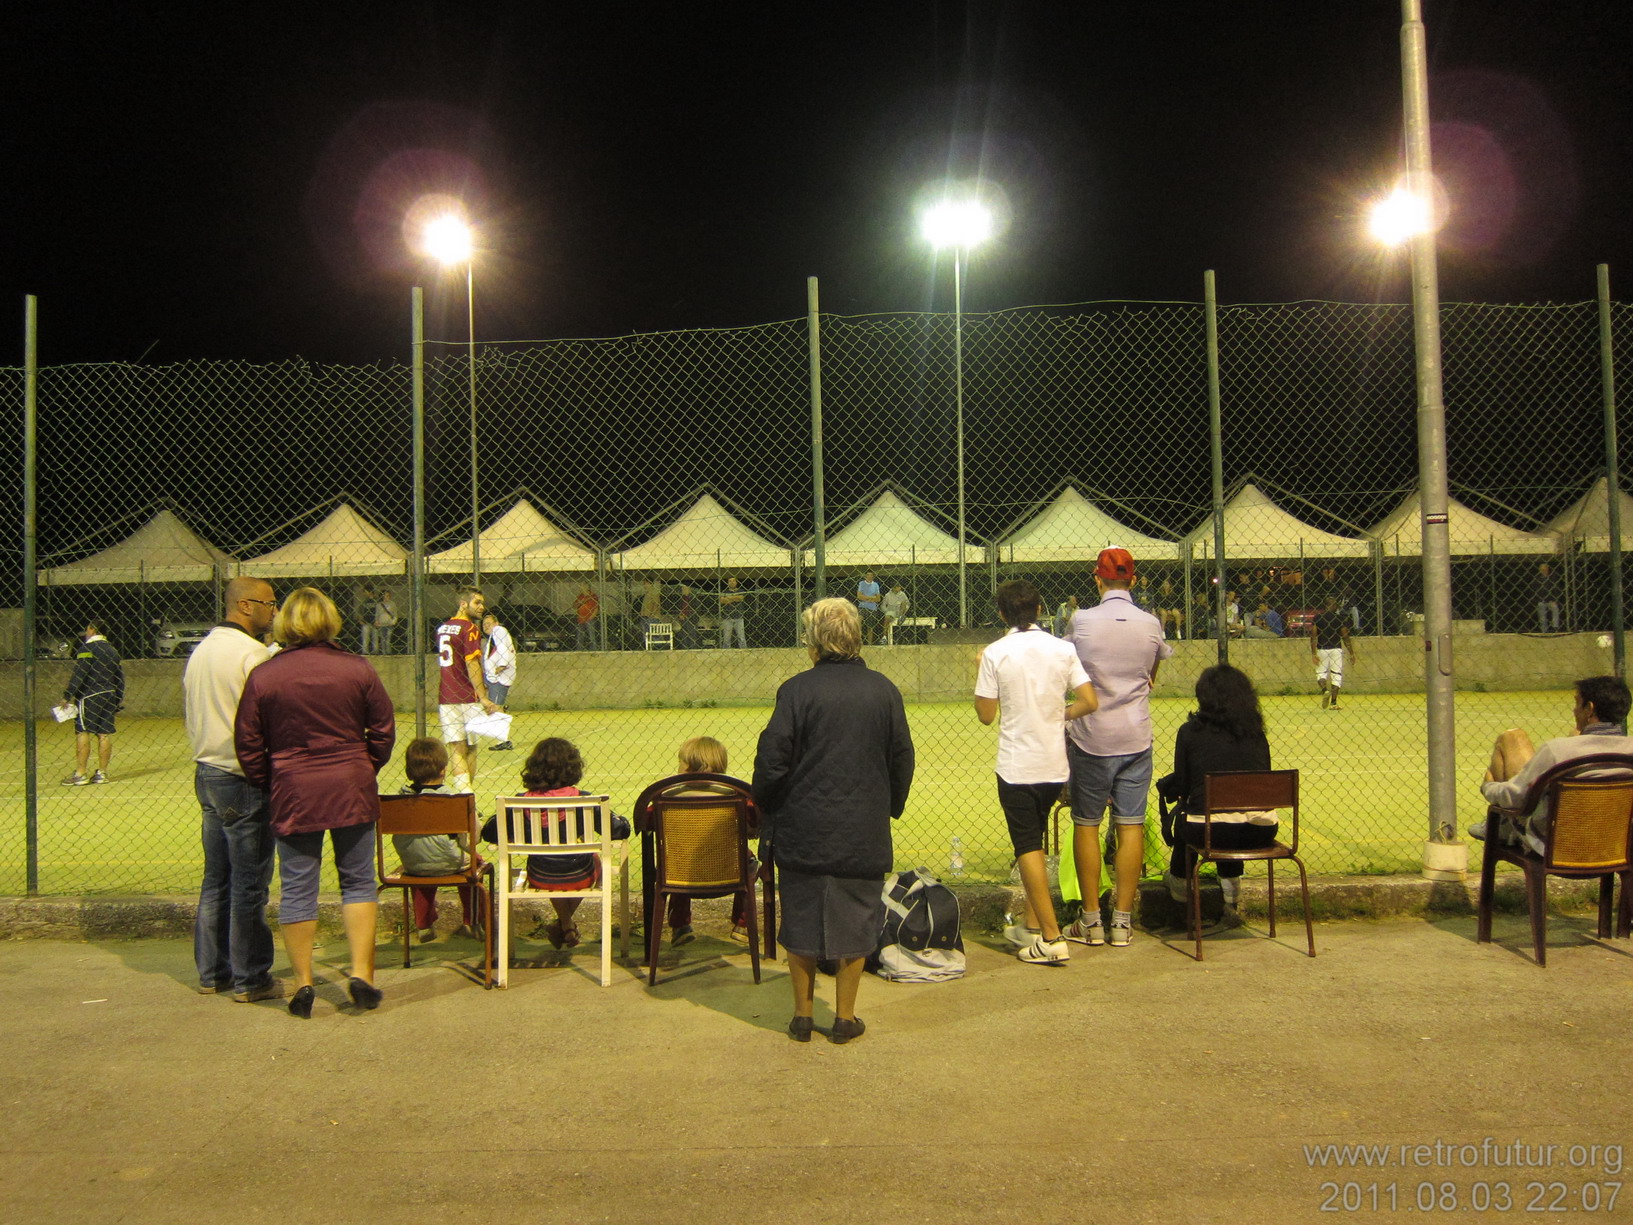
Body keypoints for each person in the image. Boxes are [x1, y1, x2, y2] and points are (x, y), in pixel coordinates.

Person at [753, 598, 914, 1044]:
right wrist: (887, 805)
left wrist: (763, 803)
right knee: (858, 918)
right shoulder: (883, 689)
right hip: (862, 826)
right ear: (856, 636)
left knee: (801, 915)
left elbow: (772, 760)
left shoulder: (796, 691)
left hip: (802, 824)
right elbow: (902, 757)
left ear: (813, 643)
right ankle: (845, 1018)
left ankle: (802, 1016)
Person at [235, 587, 395, 1019]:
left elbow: (248, 744)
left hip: (294, 789)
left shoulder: (265, 676)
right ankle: (361, 974)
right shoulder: (357, 669)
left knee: (298, 886)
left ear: (286, 622)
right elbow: (382, 730)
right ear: (330, 620)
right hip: (350, 784)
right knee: (358, 881)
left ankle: (304, 982)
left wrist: (275, 780)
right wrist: (362, 767)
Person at [974, 580, 1098, 965]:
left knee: (1027, 846)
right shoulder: (1062, 648)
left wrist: (979, 670)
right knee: (1037, 840)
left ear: (1002, 614)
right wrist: (1059, 714)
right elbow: (1089, 701)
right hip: (1054, 763)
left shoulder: (995, 653)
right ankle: (1032, 923)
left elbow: (985, 714)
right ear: (1041, 609)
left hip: (1017, 764)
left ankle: (1050, 936)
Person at [1064, 547, 1173, 948]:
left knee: (1086, 824)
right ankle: (1122, 924)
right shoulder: (1150, 623)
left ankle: (1091, 921)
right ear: (1134, 579)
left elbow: (1069, 667)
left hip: (1093, 737)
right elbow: (1150, 677)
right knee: (1130, 826)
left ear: (1098, 578)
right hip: (1135, 736)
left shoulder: (1082, 620)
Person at [185, 576, 281, 1002]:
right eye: (269, 603)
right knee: (249, 885)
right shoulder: (252, 654)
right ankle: (251, 977)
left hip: (207, 773)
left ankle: (213, 972)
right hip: (242, 777)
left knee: (216, 879)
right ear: (245, 605)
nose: (274, 611)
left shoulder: (201, 651)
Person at [1156, 664, 1275, 922]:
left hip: (1208, 831)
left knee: (1196, 822)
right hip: (1260, 830)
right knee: (1232, 815)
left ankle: (1181, 893)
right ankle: (1231, 900)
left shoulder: (1189, 732)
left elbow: (1185, 788)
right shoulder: (1256, 734)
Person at [484, 738, 627, 950]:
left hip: (540, 876)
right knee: (595, 860)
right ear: (572, 767)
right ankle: (566, 924)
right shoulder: (585, 800)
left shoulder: (518, 802)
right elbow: (620, 830)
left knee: (551, 863)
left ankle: (565, 925)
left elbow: (489, 833)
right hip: (580, 875)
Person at [1474, 676, 1633, 855]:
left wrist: (1489, 787)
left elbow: (1515, 798)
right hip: (1615, 846)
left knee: (1510, 739)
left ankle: (1501, 826)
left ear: (1589, 709)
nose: (1574, 710)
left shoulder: (1558, 750)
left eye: (1577, 703)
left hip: (1555, 846)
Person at [652, 736, 755, 946]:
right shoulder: (737, 795)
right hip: (728, 871)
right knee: (749, 862)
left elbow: (646, 821)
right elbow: (755, 822)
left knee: (679, 859)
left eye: (680, 760)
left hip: (680, 874)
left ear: (689, 764)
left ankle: (679, 925)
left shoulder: (667, 795)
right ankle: (743, 925)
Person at [394, 737, 482, 943]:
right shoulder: (453, 800)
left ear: (408, 772)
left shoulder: (398, 800)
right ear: (443, 770)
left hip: (412, 863)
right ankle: (473, 920)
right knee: (473, 864)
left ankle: (423, 924)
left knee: (422, 869)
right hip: (450, 862)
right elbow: (472, 837)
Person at [436, 587, 501, 792]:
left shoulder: (443, 628)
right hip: (468, 695)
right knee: (471, 748)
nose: (482, 607)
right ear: (463, 604)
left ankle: (461, 796)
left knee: (455, 748)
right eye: (477, 603)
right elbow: (472, 663)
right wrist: (483, 696)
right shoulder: (470, 629)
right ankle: (468, 800)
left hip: (446, 695)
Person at [62, 619, 124, 786]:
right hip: (109, 693)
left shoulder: (87, 649)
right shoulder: (112, 651)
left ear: (92, 629)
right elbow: (119, 677)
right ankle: (102, 773)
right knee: (104, 733)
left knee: (83, 731)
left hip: (89, 694)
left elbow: (80, 672)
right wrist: (118, 697)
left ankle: (81, 773)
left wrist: (68, 695)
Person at [1309, 595, 1355, 709]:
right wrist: (1351, 652)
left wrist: (1314, 653)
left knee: (1321, 673)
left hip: (1322, 648)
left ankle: (1325, 690)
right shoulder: (1339, 618)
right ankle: (1334, 703)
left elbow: (1313, 635)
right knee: (1336, 675)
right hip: (1336, 649)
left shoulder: (1318, 618)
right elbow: (1345, 636)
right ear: (1333, 605)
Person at [481, 611, 516, 752]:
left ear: (496, 623)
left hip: (499, 678)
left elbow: (503, 648)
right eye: (484, 624)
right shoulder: (492, 638)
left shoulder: (499, 631)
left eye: (489, 623)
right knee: (494, 707)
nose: (486, 626)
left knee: (495, 707)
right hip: (492, 677)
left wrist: (502, 664)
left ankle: (504, 740)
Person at [719, 576, 747, 648]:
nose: (732, 582)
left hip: (739, 617)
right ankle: (725, 654)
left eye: (733, 581)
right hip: (727, 617)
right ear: (728, 583)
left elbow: (740, 598)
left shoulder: (741, 591)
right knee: (726, 639)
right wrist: (734, 598)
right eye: (730, 581)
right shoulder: (724, 592)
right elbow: (722, 601)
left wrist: (728, 598)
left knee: (741, 638)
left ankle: (744, 652)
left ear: (736, 582)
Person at [854, 571, 882, 644]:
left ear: (873, 576)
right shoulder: (861, 583)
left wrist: (865, 597)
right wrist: (871, 598)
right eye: (868, 575)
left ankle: (870, 644)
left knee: (870, 628)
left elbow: (878, 599)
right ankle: (859, 641)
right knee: (858, 621)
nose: (869, 576)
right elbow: (859, 596)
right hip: (862, 607)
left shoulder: (875, 585)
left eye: (871, 575)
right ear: (865, 576)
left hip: (872, 608)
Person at [1534, 562, 1561, 633]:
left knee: (1555, 608)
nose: (1544, 571)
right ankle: (1544, 629)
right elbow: (1535, 590)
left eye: (1545, 569)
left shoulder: (1552, 578)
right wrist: (1538, 599)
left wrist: (1554, 600)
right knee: (1541, 609)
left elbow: (1555, 590)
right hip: (1541, 600)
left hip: (1550, 600)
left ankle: (1555, 627)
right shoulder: (1537, 579)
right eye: (1542, 569)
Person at [574, 584, 600, 651]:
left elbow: (596, 608)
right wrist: (580, 602)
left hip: (589, 618)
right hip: (581, 619)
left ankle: (594, 650)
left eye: (582, 587)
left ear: (587, 587)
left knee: (592, 636)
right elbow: (574, 605)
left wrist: (591, 617)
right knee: (580, 636)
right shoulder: (580, 596)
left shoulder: (593, 596)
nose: (581, 588)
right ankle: (579, 650)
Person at [372, 588, 398, 654]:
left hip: (389, 624)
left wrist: (393, 622)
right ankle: (384, 653)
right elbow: (377, 614)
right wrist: (376, 621)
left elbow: (395, 614)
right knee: (383, 640)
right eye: (386, 595)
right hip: (382, 624)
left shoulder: (392, 604)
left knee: (388, 640)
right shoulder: (379, 605)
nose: (387, 597)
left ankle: (388, 653)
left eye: (388, 595)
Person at [675, 583, 699, 649]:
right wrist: (680, 615)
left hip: (691, 618)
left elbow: (695, 609)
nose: (683, 590)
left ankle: (692, 648)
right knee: (684, 634)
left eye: (685, 588)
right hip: (683, 619)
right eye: (682, 589)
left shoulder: (693, 598)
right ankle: (684, 648)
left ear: (689, 589)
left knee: (692, 634)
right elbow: (679, 608)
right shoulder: (681, 598)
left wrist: (686, 615)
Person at [356, 586, 379, 655]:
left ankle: (375, 651)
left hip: (375, 622)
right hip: (366, 622)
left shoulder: (377, 600)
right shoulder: (364, 601)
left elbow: (380, 611)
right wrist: (360, 620)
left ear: (370, 592)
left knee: (375, 638)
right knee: (365, 638)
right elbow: (360, 611)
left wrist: (378, 620)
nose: (364, 594)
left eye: (365, 592)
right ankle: (365, 652)